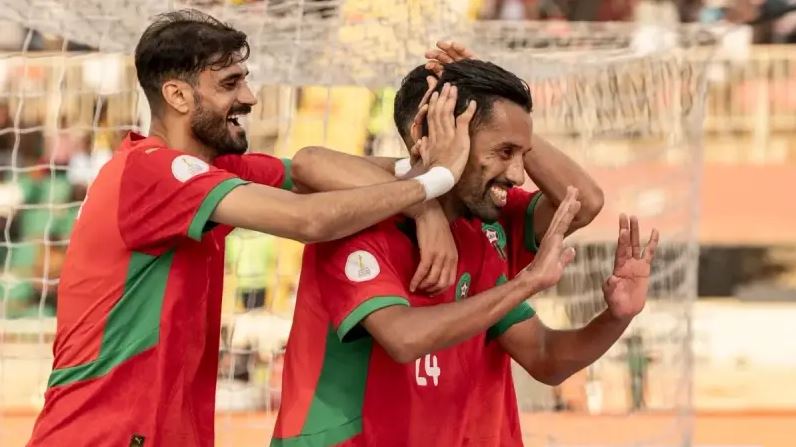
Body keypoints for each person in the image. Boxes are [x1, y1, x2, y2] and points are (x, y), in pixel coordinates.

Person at [27, 10, 470, 447]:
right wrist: (432, 186)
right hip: (101, 434)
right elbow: (309, 219)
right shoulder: (153, 172)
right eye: (230, 84)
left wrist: (436, 157)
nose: (250, 97)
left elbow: (314, 168)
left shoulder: (208, 170)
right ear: (178, 96)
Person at [272, 59, 659, 446]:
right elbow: (403, 337)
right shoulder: (354, 219)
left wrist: (616, 317)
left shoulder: (484, 227)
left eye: (522, 153)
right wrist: (428, 206)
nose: (519, 174)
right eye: (504, 151)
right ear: (432, 130)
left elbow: (544, 356)